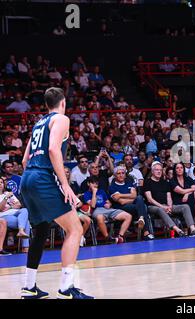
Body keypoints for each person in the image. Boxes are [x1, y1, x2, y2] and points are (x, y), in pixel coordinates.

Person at [20, 87, 93, 299]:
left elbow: (25, 160)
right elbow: (53, 149)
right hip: (43, 178)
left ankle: (29, 286)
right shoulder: (61, 119)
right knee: (75, 230)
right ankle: (66, 289)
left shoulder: (38, 123)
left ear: (46, 104)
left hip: (28, 178)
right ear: (63, 103)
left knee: (41, 230)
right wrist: (65, 184)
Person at [144, 162, 195, 237]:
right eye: (156, 170)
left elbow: (169, 197)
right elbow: (150, 199)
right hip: (153, 206)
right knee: (160, 209)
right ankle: (178, 230)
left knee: (185, 206)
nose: (159, 171)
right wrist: (163, 207)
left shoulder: (165, 182)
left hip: (167, 206)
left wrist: (169, 206)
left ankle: (193, 229)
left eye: (160, 170)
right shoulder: (147, 182)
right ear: (152, 171)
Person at [109, 166, 154, 240]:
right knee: (142, 204)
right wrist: (133, 198)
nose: (121, 175)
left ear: (125, 174)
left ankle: (141, 220)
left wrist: (120, 195)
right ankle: (145, 231)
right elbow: (122, 202)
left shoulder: (129, 183)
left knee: (139, 198)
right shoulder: (112, 187)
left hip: (132, 206)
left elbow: (134, 195)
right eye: (118, 173)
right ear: (115, 175)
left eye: (123, 173)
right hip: (121, 208)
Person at [83, 176, 131, 243]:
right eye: (93, 183)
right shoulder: (86, 194)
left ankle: (120, 236)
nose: (95, 185)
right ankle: (108, 238)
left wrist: (109, 204)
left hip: (107, 209)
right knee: (100, 217)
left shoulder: (101, 191)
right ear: (88, 184)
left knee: (128, 216)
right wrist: (94, 193)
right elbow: (93, 205)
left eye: (96, 183)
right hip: (96, 210)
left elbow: (108, 201)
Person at [0, 178, 31, 253]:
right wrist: (6, 198)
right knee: (26, 221)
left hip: (15, 213)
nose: (0, 184)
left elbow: (19, 204)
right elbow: (0, 209)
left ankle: (21, 230)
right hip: (4, 216)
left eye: (1, 182)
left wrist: (9, 207)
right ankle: (25, 247)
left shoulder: (7, 193)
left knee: (25, 210)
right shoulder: (7, 195)